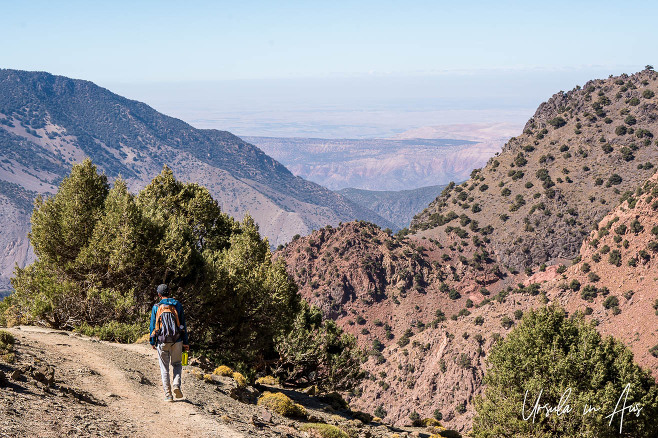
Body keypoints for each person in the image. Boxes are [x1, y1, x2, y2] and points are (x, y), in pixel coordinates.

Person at [149, 284, 189, 401]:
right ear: (169, 293)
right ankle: (177, 384)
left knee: (164, 368)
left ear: (159, 294)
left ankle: (168, 395)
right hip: (177, 340)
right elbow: (183, 325)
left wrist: (153, 341)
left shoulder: (156, 307)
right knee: (177, 364)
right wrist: (185, 342)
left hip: (162, 340)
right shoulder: (177, 305)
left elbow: (153, 326)